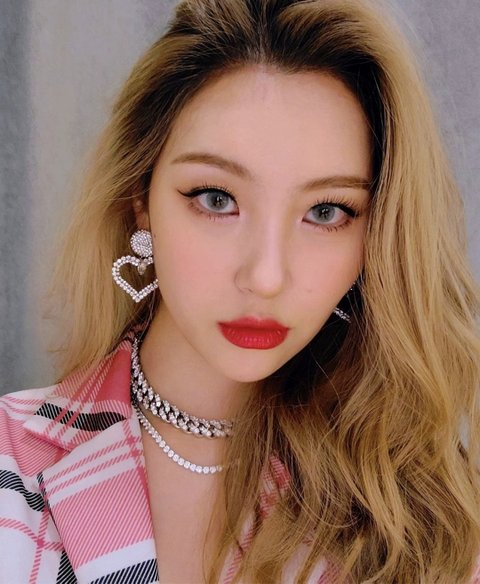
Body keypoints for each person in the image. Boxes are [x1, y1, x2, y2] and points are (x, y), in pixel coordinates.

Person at [1, 0, 479, 582]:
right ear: (141, 201)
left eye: (326, 211)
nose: (266, 276)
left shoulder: (431, 516)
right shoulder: (11, 463)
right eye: (216, 199)